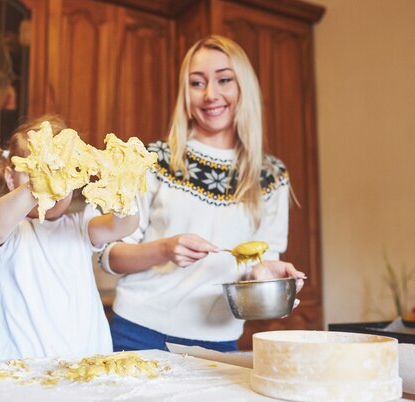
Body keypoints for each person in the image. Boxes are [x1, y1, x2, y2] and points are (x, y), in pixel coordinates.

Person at [99, 35, 305, 352]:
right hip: (137, 333)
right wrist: (164, 249)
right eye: (197, 83)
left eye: (224, 80)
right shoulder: (151, 160)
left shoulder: (271, 176)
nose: (210, 95)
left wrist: (269, 275)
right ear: (185, 93)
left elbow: (262, 262)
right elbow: (110, 256)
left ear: (243, 88)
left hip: (219, 340)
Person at [0, 114, 139, 361]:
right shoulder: (11, 230)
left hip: (86, 364)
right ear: (11, 179)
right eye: (33, 172)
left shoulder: (81, 226)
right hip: (20, 370)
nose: (54, 185)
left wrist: (122, 184)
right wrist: (39, 184)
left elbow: (124, 226)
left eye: (63, 174)